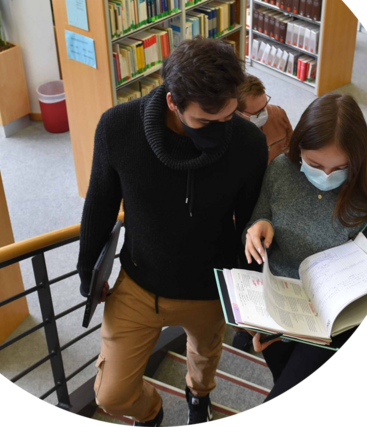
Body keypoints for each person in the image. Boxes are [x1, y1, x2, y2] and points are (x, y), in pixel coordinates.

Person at [77, 37, 268, 426]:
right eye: (203, 121)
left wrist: (248, 295)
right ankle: (151, 411)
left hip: (210, 286)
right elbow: (99, 204)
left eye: (227, 118)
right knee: (111, 394)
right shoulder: (117, 128)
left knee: (205, 357)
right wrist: (87, 273)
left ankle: (199, 398)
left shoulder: (249, 143)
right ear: (172, 102)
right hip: (138, 283)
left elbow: (249, 218)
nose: (218, 131)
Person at [240, 93, 367, 403]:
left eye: (340, 168)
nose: (325, 177)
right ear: (298, 145)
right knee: (281, 375)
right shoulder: (281, 169)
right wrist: (258, 227)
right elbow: (258, 218)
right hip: (281, 309)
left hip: (335, 327)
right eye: (314, 164)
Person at [232, 74, 294, 351]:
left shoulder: (278, 116)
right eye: (254, 113)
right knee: (245, 265)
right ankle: (245, 328)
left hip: (277, 207)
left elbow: (294, 154)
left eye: (264, 107)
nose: (262, 115)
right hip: (242, 212)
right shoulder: (230, 133)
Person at [236, 74, 293, 164]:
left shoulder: (278, 114)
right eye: (258, 112)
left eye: (265, 104)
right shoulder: (229, 136)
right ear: (238, 112)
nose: (265, 112)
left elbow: (292, 148)